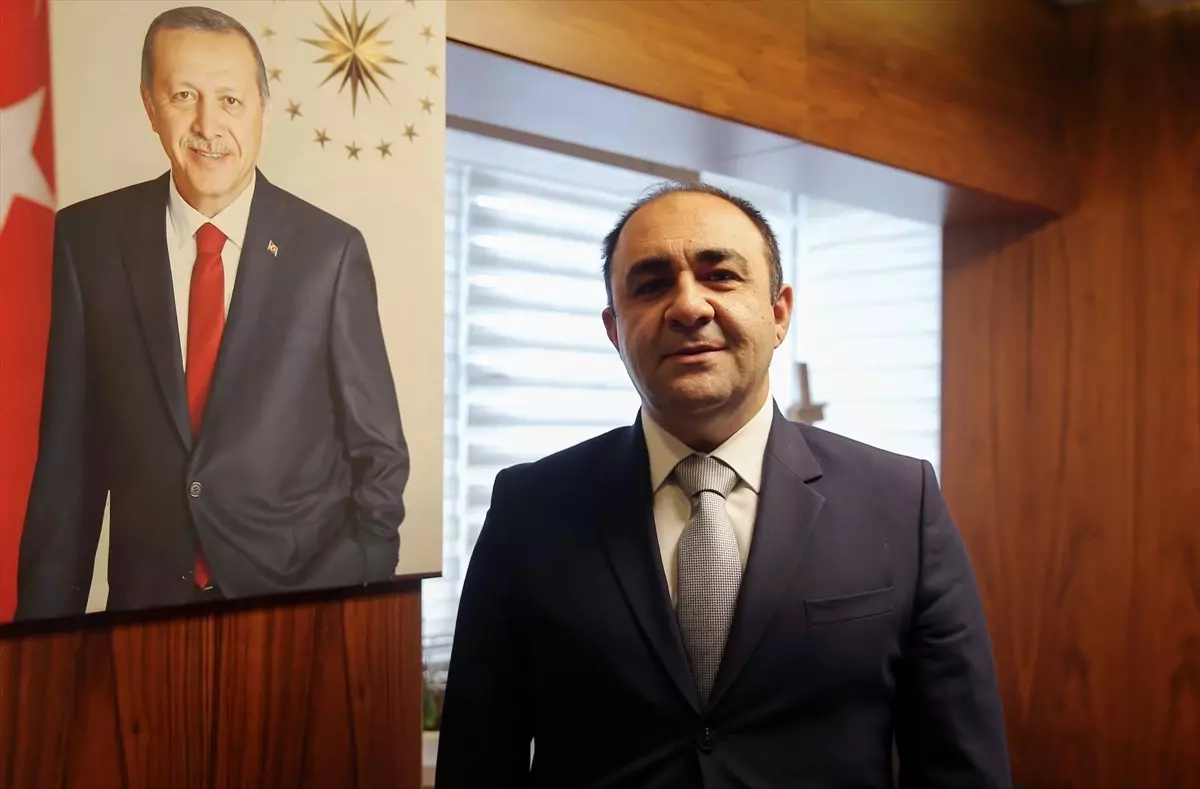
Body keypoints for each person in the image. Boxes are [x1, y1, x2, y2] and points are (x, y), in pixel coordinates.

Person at [435, 183, 1012, 787]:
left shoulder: (899, 501)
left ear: (779, 312)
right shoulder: (530, 510)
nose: (689, 307)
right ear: (614, 328)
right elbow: (478, 762)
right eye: (651, 285)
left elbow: (961, 766)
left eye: (721, 276)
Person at [14, 6, 409, 621]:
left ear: (262, 111)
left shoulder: (330, 254)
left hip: (299, 609)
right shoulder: (86, 241)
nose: (208, 124)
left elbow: (379, 455)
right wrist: (41, 642)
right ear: (150, 104)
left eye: (230, 100)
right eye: (184, 96)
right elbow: (68, 469)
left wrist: (347, 586)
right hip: (147, 617)